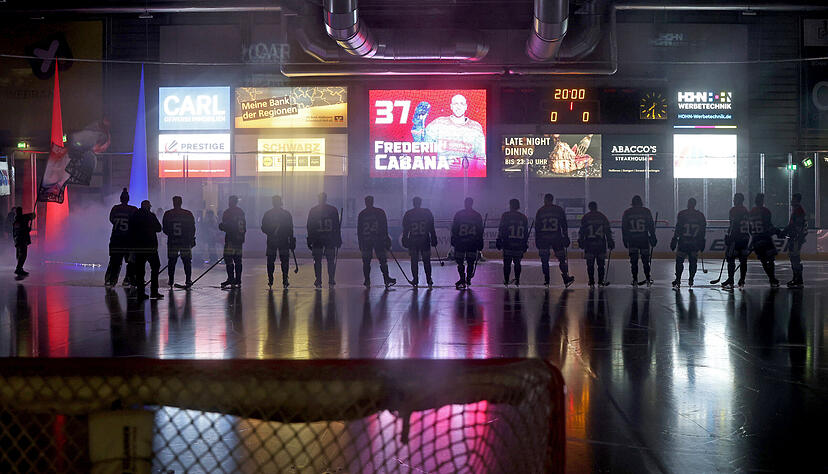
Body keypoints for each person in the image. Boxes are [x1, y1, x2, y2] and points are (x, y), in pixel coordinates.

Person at [424, 94, 486, 176]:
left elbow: (481, 160)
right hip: (440, 177)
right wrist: (444, 163)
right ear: (451, 106)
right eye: (456, 104)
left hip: (466, 178)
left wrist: (466, 165)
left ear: (466, 107)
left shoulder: (476, 127)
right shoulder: (437, 123)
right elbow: (424, 151)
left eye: (462, 104)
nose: (459, 107)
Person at [534, 193, 574, 287]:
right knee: (561, 259)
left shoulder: (540, 211)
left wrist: (537, 239)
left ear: (545, 200)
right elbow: (564, 225)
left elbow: (537, 227)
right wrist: (566, 236)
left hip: (544, 239)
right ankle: (565, 277)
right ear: (552, 199)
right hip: (557, 238)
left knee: (544, 260)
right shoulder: (558, 210)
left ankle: (547, 280)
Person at [357, 196, 396, 288]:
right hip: (378, 240)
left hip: (366, 241)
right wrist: (386, 239)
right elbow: (384, 227)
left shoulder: (362, 214)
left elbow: (359, 230)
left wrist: (360, 243)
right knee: (383, 261)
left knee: (366, 262)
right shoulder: (380, 212)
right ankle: (386, 278)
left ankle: (367, 280)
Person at [128, 200, 163, 299]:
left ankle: (140, 292)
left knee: (140, 270)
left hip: (139, 247)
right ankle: (154, 291)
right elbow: (159, 228)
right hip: (151, 247)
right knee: (155, 267)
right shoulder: (151, 216)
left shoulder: (135, 216)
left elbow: (130, 230)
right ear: (148, 207)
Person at [306, 192, 341, 288]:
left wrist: (309, 239)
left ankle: (318, 279)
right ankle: (331, 279)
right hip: (330, 239)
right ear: (326, 198)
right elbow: (336, 227)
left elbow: (310, 226)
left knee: (317, 260)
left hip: (317, 240)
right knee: (330, 260)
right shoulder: (333, 210)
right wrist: (338, 239)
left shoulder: (313, 211)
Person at [670, 198, 707, 288]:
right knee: (693, 262)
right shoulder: (700, 215)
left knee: (679, 261)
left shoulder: (682, 214)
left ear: (688, 204)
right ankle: (691, 279)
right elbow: (702, 230)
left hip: (683, 242)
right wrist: (702, 241)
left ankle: (678, 279)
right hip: (694, 243)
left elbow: (678, 228)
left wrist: (674, 239)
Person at [402, 196, 438, 287]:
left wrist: (404, 238)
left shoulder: (409, 214)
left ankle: (415, 279)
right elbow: (431, 227)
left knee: (414, 261)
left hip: (413, 241)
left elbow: (405, 229)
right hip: (425, 240)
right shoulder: (427, 212)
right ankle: (429, 279)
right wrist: (434, 238)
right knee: (427, 261)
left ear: (413, 203)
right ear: (420, 202)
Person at [104, 188, 137, 287]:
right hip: (128, 241)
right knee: (131, 262)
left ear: (120, 198)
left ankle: (110, 280)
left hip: (115, 240)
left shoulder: (115, 209)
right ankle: (128, 279)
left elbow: (112, 220)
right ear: (128, 199)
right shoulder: (133, 209)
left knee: (114, 262)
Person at [621, 195, 657, 287]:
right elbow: (651, 226)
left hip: (632, 240)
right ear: (641, 202)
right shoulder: (646, 212)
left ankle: (635, 280)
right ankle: (648, 279)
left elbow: (624, 227)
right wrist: (653, 236)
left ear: (632, 203)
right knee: (646, 261)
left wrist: (625, 239)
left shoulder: (627, 212)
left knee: (634, 262)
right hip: (644, 240)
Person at [261, 195, 295, 288]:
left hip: (272, 240)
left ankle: (271, 279)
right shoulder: (286, 214)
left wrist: (271, 232)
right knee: (284, 260)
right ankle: (284, 279)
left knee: (271, 261)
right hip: (283, 240)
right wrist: (291, 240)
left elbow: (263, 228)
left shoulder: (268, 214)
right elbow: (290, 229)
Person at [162, 196, 196, 288]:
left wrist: (172, 235)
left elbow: (164, 229)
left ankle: (171, 280)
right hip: (185, 242)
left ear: (173, 203)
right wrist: (191, 239)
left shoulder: (168, 214)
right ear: (181, 202)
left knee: (172, 261)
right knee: (187, 261)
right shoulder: (188, 214)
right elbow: (192, 228)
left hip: (173, 242)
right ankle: (188, 279)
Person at [451, 197, 484, 289]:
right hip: (472, 243)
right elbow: (480, 231)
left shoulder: (459, 214)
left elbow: (454, 229)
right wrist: (480, 242)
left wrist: (453, 239)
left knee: (460, 262)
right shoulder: (477, 215)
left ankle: (462, 278)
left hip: (461, 243)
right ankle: (468, 279)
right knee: (470, 262)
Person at [578, 201, 614, 287]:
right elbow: (607, 231)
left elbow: (582, 232)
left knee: (590, 265)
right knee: (601, 264)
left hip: (589, 245)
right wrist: (610, 241)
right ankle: (601, 281)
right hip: (600, 244)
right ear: (596, 207)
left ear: (589, 207)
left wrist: (581, 241)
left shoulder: (586, 218)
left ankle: (591, 281)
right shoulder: (602, 217)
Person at [748, 193, 780, 287]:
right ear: (762, 201)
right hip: (765, 238)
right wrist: (776, 232)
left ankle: (771, 278)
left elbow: (750, 227)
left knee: (763, 260)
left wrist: (753, 237)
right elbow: (768, 225)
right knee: (770, 259)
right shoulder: (766, 211)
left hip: (756, 239)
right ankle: (772, 278)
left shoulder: (751, 212)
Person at [497, 199, 529, 286]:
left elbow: (501, 229)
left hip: (508, 244)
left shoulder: (505, 216)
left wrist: (499, 240)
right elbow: (525, 233)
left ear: (510, 205)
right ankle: (517, 279)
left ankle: (506, 280)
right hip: (519, 244)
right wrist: (525, 243)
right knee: (517, 262)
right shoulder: (523, 217)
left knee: (507, 263)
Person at [722, 193, 750, 289]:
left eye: (735, 199)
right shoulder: (746, 210)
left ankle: (731, 279)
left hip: (736, 238)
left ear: (738, 200)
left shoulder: (734, 210)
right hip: (745, 238)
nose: (733, 200)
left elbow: (733, 224)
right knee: (743, 260)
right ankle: (742, 280)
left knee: (730, 259)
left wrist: (729, 237)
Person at [219, 195, 246, 288]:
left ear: (231, 202)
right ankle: (238, 280)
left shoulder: (228, 212)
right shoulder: (241, 212)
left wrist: (221, 226)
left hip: (230, 240)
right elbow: (243, 226)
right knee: (238, 260)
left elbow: (227, 226)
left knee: (228, 259)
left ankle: (231, 279)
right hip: (239, 240)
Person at [781, 193, 807, 288]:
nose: (792, 201)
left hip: (795, 238)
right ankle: (796, 278)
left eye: (793, 199)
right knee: (794, 258)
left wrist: (785, 231)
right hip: (795, 237)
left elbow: (794, 226)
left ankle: (798, 279)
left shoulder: (798, 211)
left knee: (795, 258)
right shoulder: (797, 211)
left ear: (797, 200)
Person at [12, 207, 36, 277]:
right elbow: (33, 216)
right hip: (22, 239)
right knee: (23, 254)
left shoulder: (16, 220)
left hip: (17, 239)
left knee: (19, 254)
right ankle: (19, 268)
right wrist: (27, 229)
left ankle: (20, 268)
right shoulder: (22, 218)